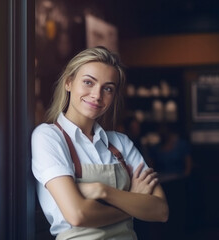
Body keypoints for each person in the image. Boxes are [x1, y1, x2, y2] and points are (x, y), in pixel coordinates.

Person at [31, 46, 169, 239]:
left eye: (108, 88)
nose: (97, 95)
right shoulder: (48, 137)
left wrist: (103, 191)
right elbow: (77, 215)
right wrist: (132, 203)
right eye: (88, 82)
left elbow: (160, 210)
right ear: (69, 82)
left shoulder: (121, 142)